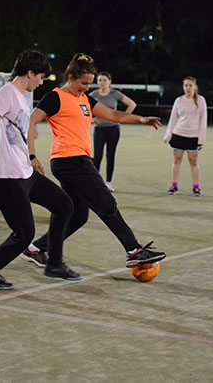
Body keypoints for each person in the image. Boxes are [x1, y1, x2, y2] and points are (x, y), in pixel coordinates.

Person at [0, 50, 81, 290]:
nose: (41, 82)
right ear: (29, 73)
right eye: (40, 77)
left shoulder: (25, 95)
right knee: (24, 234)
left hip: (25, 173)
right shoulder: (8, 92)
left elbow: (26, 127)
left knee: (65, 205)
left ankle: (55, 264)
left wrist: (31, 155)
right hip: (6, 180)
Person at [23, 53, 166, 269]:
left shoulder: (85, 99)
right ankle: (134, 250)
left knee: (79, 215)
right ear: (70, 77)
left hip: (75, 162)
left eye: (90, 84)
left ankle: (36, 249)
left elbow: (114, 115)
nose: (87, 88)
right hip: (70, 161)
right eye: (83, 83)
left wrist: (142, 120)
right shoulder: (55, 97)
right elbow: (30, 121)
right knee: (106, 203)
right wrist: (31, 156)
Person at [89, 72, 136, 192]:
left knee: (110, 156)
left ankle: (108, 183)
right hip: (99, 129)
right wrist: (91, 118)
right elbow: (83, 107)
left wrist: (123, 117)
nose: (102, 82)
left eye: (104, 80)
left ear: (110, 81)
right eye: (100, 80)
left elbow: (132, 104)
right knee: (97, 156)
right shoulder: (93, 94)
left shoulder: (115, 94)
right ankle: (95, 183)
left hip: (113, 129)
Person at [163, 76, 208, 197]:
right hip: (178, 134)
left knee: (193, 162)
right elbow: (173, 119)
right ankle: (174, 186)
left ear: (195, 87)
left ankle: (196, 187)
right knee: (177, 161)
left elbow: (203, 120)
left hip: (193, 136)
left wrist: (201, 139)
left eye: (190, 85)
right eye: (186, 85)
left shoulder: (201, 100)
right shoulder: (179, 100)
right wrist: (168, 135)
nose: (188, 88)